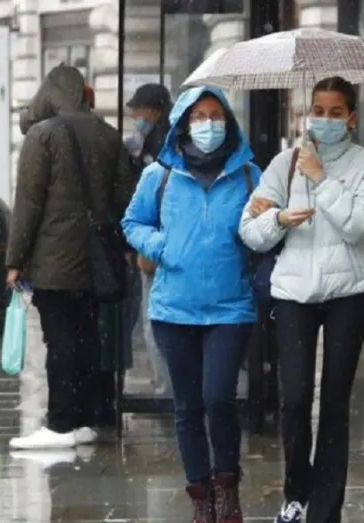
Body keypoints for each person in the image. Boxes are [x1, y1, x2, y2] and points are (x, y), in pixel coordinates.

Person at [238, 76, 364, 523]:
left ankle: (326, 510)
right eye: (318, 111)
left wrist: (321, 180)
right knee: (296, 397)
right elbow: (249, 230)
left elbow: (358, 225)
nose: (325, 119)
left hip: (348, 293)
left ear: (351, 118)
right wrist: (279, 220)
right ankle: (296, 494)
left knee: (336, 401)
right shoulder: (285, 164)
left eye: (335, 112)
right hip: (294, 294)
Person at [122, 85, 260, 523]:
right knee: (187, 406)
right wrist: (160, 246)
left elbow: (265, 230)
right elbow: (132, 222)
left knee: (219, 398)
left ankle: (228, 485)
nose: (208, 124)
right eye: (199, 117)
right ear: (183, 124)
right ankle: (201, 495)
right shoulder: (159, 176)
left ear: (229, 122)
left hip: (230, 308)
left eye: (216, 116)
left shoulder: (249, 176)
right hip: (173, 310)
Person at [5, 64, 136, 449]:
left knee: (60, 340)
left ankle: (60, 424)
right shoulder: (108, 135)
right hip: (95, 259)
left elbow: (28, 204)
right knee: (86, 336)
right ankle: (84, 420)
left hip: (54, 260)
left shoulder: (43, 135)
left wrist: (15, 260)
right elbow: (124, 198)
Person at [124, 83, 174, 395]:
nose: (135, 116)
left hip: (155, 243)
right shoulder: (167, 139)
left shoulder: (159, 146)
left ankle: (166, 387)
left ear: (154, 111)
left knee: (153, 319)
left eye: (138, 110)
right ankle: (168, 383)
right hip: (165, 240)